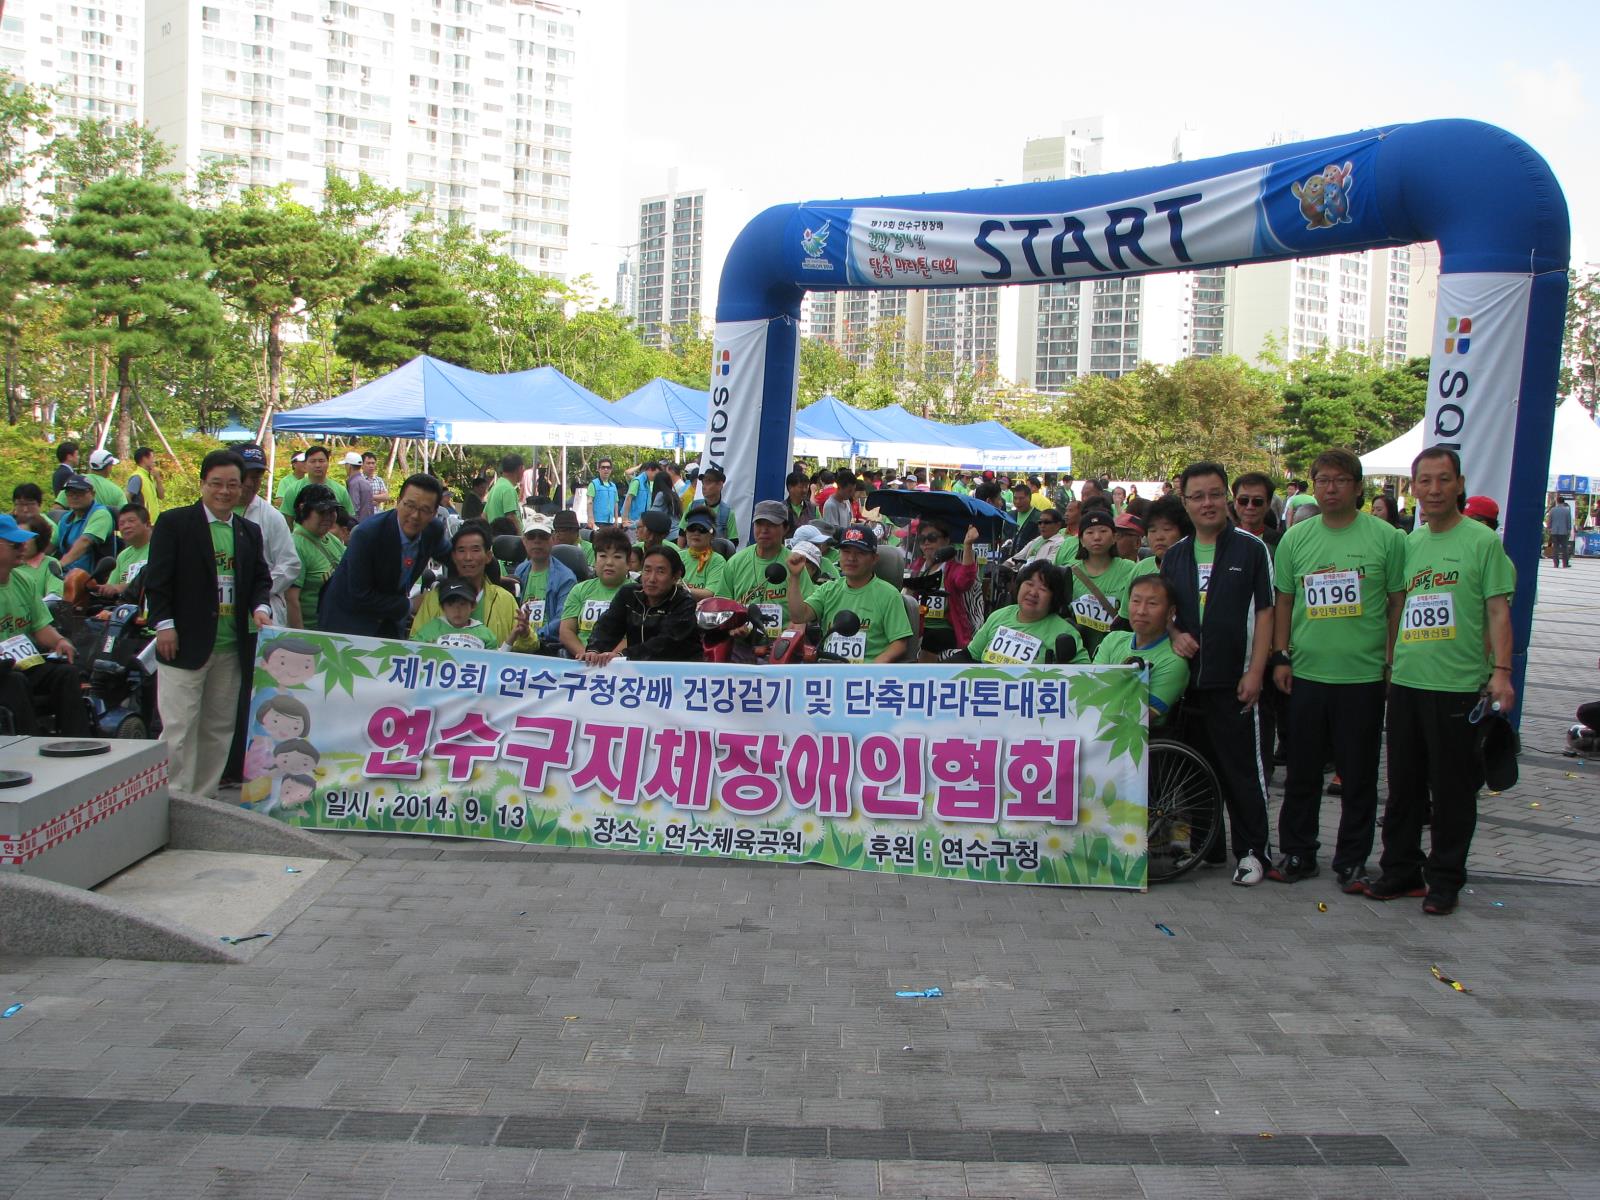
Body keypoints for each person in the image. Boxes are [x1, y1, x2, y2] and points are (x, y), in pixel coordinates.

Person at [1365, 447, 1516, 915]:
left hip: (1457, 686)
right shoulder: (1409, 544)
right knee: (1404, 786)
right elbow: (1397, 608)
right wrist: (1389, 665)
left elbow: (1497, 611)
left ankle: (1445, 878)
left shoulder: (1482, 542)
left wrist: (1502, 673)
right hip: (1408, 681)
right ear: (1413, 488)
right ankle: (1400, 870)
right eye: (1424, 481)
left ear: (1459, 484)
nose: (1432, 490)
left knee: (1451, 790)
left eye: (1442, 480)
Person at [1268, 449, 1406, 890]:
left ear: (1358, 487)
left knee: (1359, 776)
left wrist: (1389, 660)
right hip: (1306, 673)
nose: (1330, 488)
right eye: (1322, 480)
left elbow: (1396, 604)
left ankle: (1351, 859)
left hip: (1362, 677)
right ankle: (1299, 853)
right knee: (1303, 773)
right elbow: (1284, 602)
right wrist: (1281, 655)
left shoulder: (1387, 538)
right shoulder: (1297, 538)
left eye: (1340, 481)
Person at [1161, 461, 1276, 886]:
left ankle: (1253, 852)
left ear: (1225, 497)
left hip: (1236, 682)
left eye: (1214, 494)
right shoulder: (1174, 555)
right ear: (1185, 502)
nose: (1207, 504)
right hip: (1189, 685)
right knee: (1197, 771)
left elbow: (1265, 612)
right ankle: (1208, 847)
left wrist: (1256, 671)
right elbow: (1166, 611)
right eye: (1197, 496)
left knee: (1242, 771)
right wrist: (1174, 634)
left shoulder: (1250, 549)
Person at [144, 449, 272, 797]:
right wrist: (164, 625)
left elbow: (261, 579)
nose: (225, 491)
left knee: (218, 726)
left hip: (230, 646)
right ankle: (172, 797)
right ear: (202, 484)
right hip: (184, 643)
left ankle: (204, 798)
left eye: (233, 484)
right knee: (179, 726)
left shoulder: (248, 531)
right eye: (217, 483)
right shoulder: (175, 524)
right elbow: (157, 581)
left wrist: (261, 607)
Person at [317, 473, 450, 638]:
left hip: (389, 622)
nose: (415, 515)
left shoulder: (432, 530)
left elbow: (455, 558)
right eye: (409, 505)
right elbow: (360, 595)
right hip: (347, 623)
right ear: (397, 502)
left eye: (424, 510)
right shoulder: (367, 534)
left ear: (434, 512)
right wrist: (410, 605)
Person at [0, 514, 86, 735]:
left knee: (66, 673)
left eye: (23, 543)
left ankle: (75, 741)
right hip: (6, 671)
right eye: (14, 544)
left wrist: (59, 641)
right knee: (14, 681)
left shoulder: (23, 581)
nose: (23, 548)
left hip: (22, 663)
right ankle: (29, 741)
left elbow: (39, 626)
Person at [786, 524, 913, 664]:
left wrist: (874, 668)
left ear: (874, 559)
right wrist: (795, 576)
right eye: (846, 551)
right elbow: (798, 616)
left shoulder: (889, 595)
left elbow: (899, 643)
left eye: (860, 552)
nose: (851, 558)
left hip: (867, 677)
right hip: (828, 671)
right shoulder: (828, 589)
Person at [1093, 574, 1190, 723]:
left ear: (1170, 612)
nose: (1141, 611)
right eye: (1136, 601)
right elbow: (1092, 687)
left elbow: (1139, 718)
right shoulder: (1113, 640)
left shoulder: (1173, 662)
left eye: (1152, 604)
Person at [583, 544, 700, 663]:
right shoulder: (628, 594)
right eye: (647, 570)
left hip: (677, 671)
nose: (651, 579)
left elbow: (665, 643)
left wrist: (623, 656)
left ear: (675, 577)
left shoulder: (684, 602)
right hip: (638, 670)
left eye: (660, 572)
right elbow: (608, 626)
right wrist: (594, 650)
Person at [409, 519, 518, 645]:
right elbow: (415, 643)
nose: (468, 557)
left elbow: (525, 645)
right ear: (454, 556)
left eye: (475, 550)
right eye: (461, 550)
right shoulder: (435, 597)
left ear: (488, 556)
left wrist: (526, 635)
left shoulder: (505, 600)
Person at [966, 560, 1085, 665]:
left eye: (1043, 589)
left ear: (1054, 598)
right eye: (1029, 584)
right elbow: (970, 655)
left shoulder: (1066, 632)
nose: (1033, 593)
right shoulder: (999, 616)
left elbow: (1087, 678)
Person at [236, 445, 302, 626]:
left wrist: (259, 589)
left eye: (256, 477)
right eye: (245, 475)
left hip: (263, 611)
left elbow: (290, 564)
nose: (250, 483)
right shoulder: (212, 512)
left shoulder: (271, 516)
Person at [724, 500, 811, 634]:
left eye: (771, 525)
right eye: (759, 524)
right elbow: (722, 605)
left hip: (782, 644)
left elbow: (806, 609)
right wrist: (732, 627)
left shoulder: (794, 564)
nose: (764, 530)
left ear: (786, 528)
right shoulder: (735, 562)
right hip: (741, 642)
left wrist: (796, 627)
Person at [905, 521, 982, 661]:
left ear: (946, 541)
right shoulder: (916, 567)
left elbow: (965, 581)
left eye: (932, 538)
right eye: (922, 539)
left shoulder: (952, 568)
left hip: (945, 628)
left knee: (932, 638)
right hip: (917, 625)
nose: (926, 542)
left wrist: (968, 545)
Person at [1065, 509, 1136, 656]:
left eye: (1103, 531)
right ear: (1081, 540)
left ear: (1114, 537)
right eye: (1089, 533)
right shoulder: (1069, 572)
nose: (1097, 537)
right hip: (1078, 655)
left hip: (1118, 653)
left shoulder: (1130, 570)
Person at [559, 527, 632, 656]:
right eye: (603, 556)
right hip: (582, 662)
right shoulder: (579, 590)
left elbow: (635, 635)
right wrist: (585, 654)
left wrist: (611, 657)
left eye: (617, 557)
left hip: (620, 663)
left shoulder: (637, 593)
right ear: (595, 560)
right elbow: (566, 631)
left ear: (628, 563)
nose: (609, 562)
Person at [508, 515, 576, 651]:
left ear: (553, 539)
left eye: (543, 536)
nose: (537, 541)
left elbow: (562, 619)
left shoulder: (566, 578)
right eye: (531, 536)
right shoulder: (520, 570)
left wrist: (531, 635)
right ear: (524, 541)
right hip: (517, 640)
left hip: (547, 645)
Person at [286, 484, 343, 629]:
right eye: (322, 511)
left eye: (332, 511)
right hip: (313, 632)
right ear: (303, 509)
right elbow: (291, 599)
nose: (329, 517)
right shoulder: (296, 545)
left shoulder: (330, 538)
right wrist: (300, 637)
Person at [414, 577, 501, 649]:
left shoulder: (486, 635)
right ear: (442, 607)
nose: (457, 610)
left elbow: (495, 660)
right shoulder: (428, 630)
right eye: (450, 605)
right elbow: (411, 650)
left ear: (473, 606)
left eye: (462, 604)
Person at [54, 474, 114, 574]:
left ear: (93, 494)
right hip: (65, 574)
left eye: (80, 492)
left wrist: (60, 564)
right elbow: (52, 544)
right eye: (70, 493)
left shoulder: (101, 514)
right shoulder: (66, 519)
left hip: (90, 579)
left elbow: (85, 541)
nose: (74, 496)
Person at [94, 504, 153, 598]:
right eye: (121, 523)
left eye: (131, 521)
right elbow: (112, 586)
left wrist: (120, 588)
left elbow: (154, 583)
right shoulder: (123, 556)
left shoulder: (160, 549)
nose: (126, 526)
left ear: (147, 524)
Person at [278, 445, 352, 517]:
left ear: (328, 463)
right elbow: (287, 519)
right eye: (313, 461)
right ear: (306, 464)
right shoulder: (293, 489)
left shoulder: (341, 490)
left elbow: (349, 517)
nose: (317, 465)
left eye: (321, 461)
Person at [679, 506, 730, 601]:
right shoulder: (677, 557)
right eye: (692, 528)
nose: (696, 532)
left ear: (712, 535)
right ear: (685, 532)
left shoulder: (717, 561)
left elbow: (710, 594)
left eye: (702, 529)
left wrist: (679, 589)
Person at [1001, 508, 1069, 568]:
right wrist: (1003, 567)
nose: (1042, 525)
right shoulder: (1037, 540)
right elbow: (1017, 558)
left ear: (1058, 525)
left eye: (1046, 522)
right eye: (1040, 522)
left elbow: (1047, 567)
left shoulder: (1060, 544)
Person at [1231, 472, 1279, 550]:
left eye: (1257, 501)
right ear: (1234, 502)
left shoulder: (1280, 543)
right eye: (1243, 500)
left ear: (1268, 504)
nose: (1250, 507)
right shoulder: (1220, 539)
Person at [697, 467, 740, 544]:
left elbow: (733, 542)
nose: (703, 487)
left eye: (708, 483)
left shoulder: (728, 513)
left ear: (720, 485)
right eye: (703, 483)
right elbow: (682, 534)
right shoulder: (693, 506)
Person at [486, 453, 525, 533]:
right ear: (520, 468)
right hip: (507, 538)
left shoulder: (496, 487)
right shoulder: (508, 489)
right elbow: (511, 517)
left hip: (495, 536)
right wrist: (522, 537)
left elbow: (484, 515)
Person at [124, 447, 165, 522]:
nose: (154, 460)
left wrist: (158, 479)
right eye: (152, 457)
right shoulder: (137, 477)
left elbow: (161, 496)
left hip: (153, 521)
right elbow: (126, 498)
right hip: (143, 523)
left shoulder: (149, 477)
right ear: (144, 459)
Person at [12, 484, 56, 550]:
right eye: (20, 504)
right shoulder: (10, 522)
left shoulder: (48, 527)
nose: (25, 509)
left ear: (39, 504)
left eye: (29, 504)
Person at [586, 458, 622, 531]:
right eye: (603, 467)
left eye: (608, 467)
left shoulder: (613, 486)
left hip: (610, 522)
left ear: (611, 470)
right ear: (599, 469)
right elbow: (589, 502)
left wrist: (616, 519)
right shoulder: (593, 484)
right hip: (598, 522)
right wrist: (591, 519)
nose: (606, 469)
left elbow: (615, 503)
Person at [647, 468, 681, 542]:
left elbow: (652, 515)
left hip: (669, 536)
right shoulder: (674, 495)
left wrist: (632, 524)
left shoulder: (661, 495)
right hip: (678, 534)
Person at [624, 460, 660, 527]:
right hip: (632, 521)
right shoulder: (637, 481)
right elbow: (628, 498)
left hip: (642, 521)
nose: (656, 476)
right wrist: (625, 519)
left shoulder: (647, 483)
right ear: (649, 470)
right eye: (656, 473)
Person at [343, 451, 376, 521]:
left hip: (357, 526)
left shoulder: (354, 483)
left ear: (349, 466)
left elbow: (353, 509)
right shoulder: (365, 482)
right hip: (368, 523)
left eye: (345, 464)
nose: (345, 467)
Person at [1546, 494, 1573, 566]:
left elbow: (1549, 520)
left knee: (1555, 548)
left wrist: (1549, 528)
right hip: (1563, 532)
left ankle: (1556, 563)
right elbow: (1569, 521)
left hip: (1554, 531)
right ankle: (1565, 564)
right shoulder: (1566, 511)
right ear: (1563, 502)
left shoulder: (1553, 510)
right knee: (1564, 548)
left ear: (1557, 501)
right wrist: (1569, 530)